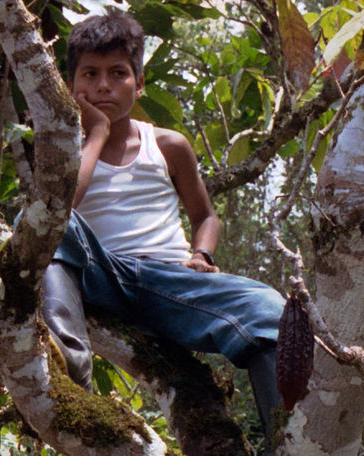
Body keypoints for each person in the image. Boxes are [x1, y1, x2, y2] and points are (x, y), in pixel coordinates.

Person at [42, 10, 283, 432]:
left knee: (271, 310)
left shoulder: (167, 145)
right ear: (70, 85)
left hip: (168, 280)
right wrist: (95, 134)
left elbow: (205, 216)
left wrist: (202, 254)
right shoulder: (62, 151)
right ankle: (70, 365)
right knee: (46, 217)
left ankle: (289, 448)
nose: (103, 85)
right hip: (100, 276)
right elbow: (57, 213)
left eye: (118, 73)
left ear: (140, 83)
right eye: (90, 74)